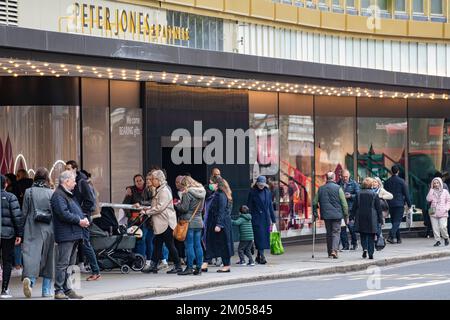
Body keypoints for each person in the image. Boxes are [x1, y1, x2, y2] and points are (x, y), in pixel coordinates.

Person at [50, 170, 89, 299]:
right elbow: (63, 213)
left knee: (71, 264)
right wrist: (80, 220)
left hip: (73, 233)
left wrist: (83, 218)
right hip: (66, 234)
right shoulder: (59, 195)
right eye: (73, 181)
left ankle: (67, 289)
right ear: (66, 181)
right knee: (63, 263)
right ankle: (58, 290)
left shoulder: (68, 194)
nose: (75, 183)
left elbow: (75, 211)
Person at [21, 167, 55, 298]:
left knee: (31, 256)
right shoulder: (51, 193)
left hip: (31, 227)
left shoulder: (28, 192)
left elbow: (24, 213)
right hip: (49, 228)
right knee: (48, 257)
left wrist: (19, 232)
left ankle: (30, 281)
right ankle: (46, 290)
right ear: (47, 178)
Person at [65, 160, 101, 281]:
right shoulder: (72, 182)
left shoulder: (82, 182)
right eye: (66, 169)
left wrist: (80, 212)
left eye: (69, 168)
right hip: (77, 217)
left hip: (83, 217)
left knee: (85, 244)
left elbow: (90, 201)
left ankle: (96, 271)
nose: (67, 170)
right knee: (76, 243)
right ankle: (69, 273)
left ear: (75, 169)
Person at [142, 170, 182, 274]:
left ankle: (178, 266)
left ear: (159, 179)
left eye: (153, 179)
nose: (152, 181)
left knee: (169, 245)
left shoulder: (164, 191)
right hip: (161, 223)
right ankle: (153, 265)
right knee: (157, 244)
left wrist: (148, 212)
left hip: (166, 223)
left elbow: (160, 207)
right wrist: (148, 209)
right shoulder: (159, 189)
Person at [201, 176, 234, 273]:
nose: (210, 185)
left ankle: (226, 265)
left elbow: (222, 210)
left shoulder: (221, 195)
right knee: (210, 243)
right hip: (214, 223)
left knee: (223, 244)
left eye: (211, 183)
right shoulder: (217, 194)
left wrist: (219, 225)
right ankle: (205, 262)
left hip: (220, 224)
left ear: (216, 184)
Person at [313, 172, 349, 259]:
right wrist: (346, 215)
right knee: (336, 232)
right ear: (334, 178)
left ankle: (329, 252)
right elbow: (344, 204)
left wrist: (315, 212)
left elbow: (314, 202)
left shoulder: (321, 189)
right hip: (337, 215)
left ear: (326, 178)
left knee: (329, 233)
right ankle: (334, 250)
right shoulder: (338, 188)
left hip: (326, 215)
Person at [175, 176, 206, 275]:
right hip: (199, 221)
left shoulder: (187, 193)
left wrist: (177, 205)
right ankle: (199, 268)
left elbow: (184, 208)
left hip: (188, 222)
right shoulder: (202, 192)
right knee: (198, 245)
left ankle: (189, 268)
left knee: (189, 245)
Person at [0, 174, 23, 298]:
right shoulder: (11, 197)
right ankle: (4, 290)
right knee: (7, 261)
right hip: (7, 235)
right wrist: (19, 233)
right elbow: (17, 217)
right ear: (5, 184)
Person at [247, 175, 276, 264]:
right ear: (257, 183)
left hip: (265, 219)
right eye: (260, 184)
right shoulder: (252, 192)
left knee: (263, 238)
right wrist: (248, 218)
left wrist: (273, 220)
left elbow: (270, 206)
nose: (261, 186)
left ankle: (259, 255)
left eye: (263, 184)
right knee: (259, 237)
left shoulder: (268, 192)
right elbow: (249, 206)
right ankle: (262, 256)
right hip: (256, 218)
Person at [352, 178, 383, 260]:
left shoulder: (358, 194)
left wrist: (351, 217)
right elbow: (378, 209)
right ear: (371, 185)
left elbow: (354, 207)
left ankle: (364, 248)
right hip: (371, 217)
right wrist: (381, 220)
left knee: (363, 234)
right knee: (371, 236)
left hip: (361, 217)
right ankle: (371, 253)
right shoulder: (374, 195)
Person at [384, 165, 412, 244]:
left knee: (394, 221)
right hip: (399, 204)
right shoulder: (401, 181)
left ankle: (398, 238)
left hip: (390, 203)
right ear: (398, 171)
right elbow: (406, 194)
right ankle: (390, 236)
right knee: (397, 221)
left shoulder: (387, 181)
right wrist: (409, 204)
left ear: (391, 171)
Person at [338, 170, 360, 250]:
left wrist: (351, 196)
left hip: (350, 208)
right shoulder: (338, 183)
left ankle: (354, 242)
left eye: (346, 176)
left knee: (351, 227)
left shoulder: (354, 184)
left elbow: (358, 195)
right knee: (342, 227)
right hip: (341, 209)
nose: (345, 178)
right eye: (343, 177)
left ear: (349, 176)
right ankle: (345, 245)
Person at [426, 177, 450, 247]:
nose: (436, 184)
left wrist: (446, 208)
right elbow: (428, 199)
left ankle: (446, 238)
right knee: (435, 227)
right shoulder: (432, 191)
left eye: (437, 183)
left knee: (443, 227)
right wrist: (431, 190)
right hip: (433, 211)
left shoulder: (445, 191)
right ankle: (438, 240)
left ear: (440, 183)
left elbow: (448, 201)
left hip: (443, 211)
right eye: (434, 183)